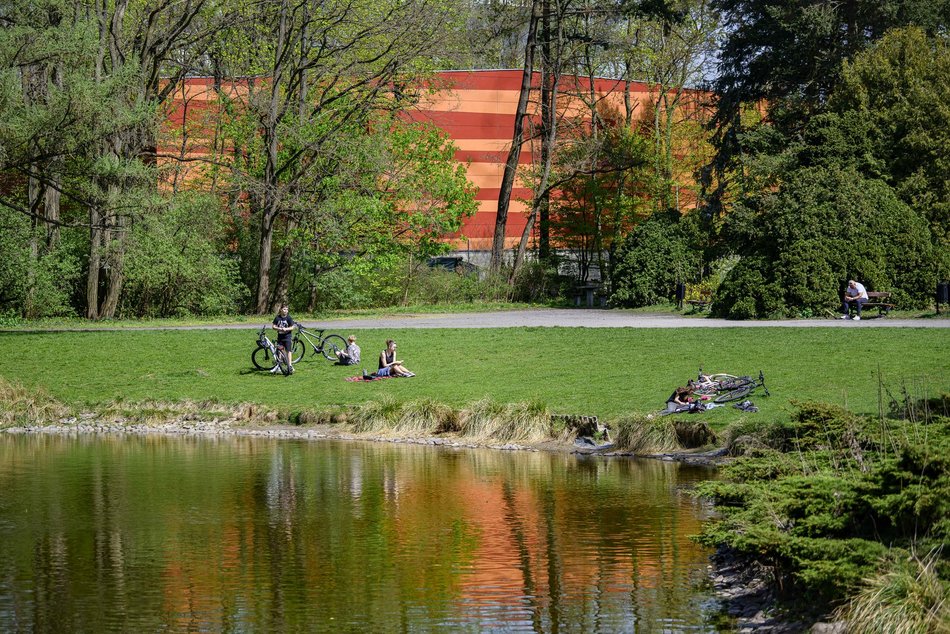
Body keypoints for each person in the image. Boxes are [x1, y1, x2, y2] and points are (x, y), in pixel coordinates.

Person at [272, 304, 296, 373]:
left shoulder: (289, 318)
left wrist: (286, 329)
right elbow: (273, 326)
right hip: (280, 337)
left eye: (287, 309)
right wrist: (279, 328)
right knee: (280, 352)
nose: (286, 311)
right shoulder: (277, 318)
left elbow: (292, 327)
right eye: (284, 309)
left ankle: (290, 365)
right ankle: (279, 366)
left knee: (288, 351)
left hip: (287, 337)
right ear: (281, 310)